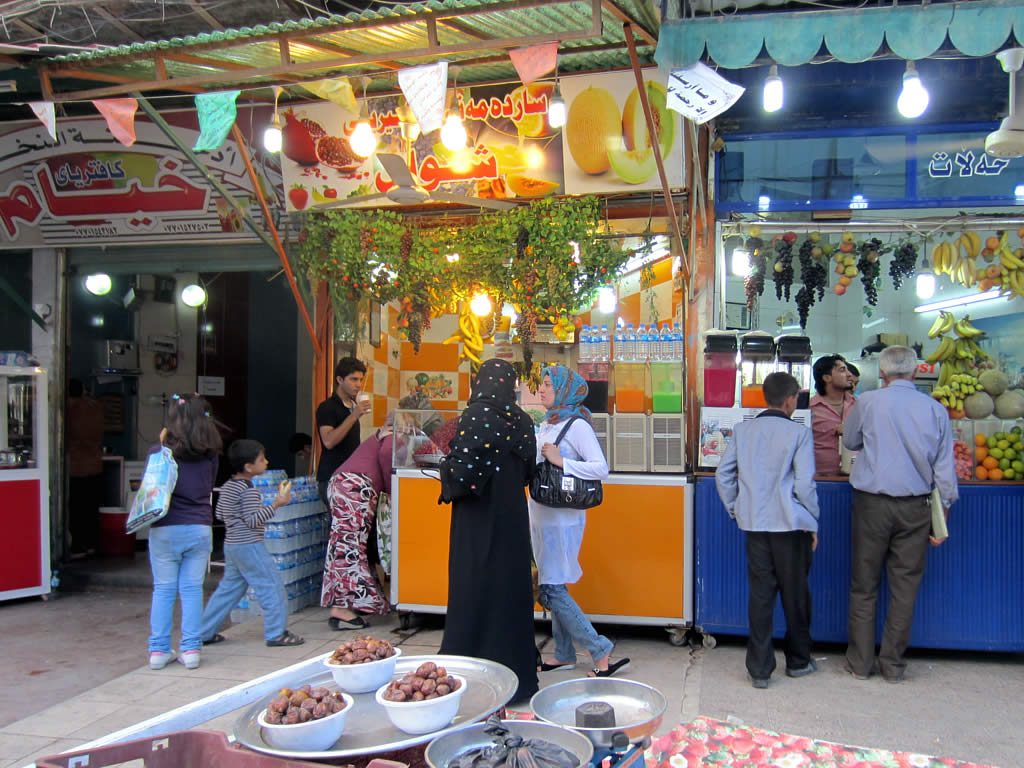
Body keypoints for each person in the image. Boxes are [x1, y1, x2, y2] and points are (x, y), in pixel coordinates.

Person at [842, 345, 956, 683]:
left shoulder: (868, 403)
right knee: (905, 588)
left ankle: (860, 664)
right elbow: (944, 469)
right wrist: (944, 509)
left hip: (871, 505)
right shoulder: (935, 410)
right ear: (916, 371)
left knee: (864, 585)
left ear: (882, 372)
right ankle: (892, 665)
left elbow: (850, 441)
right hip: (916, 507)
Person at [438, 358, 538, 704]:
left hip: (477, 521)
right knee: (509, 592)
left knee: (474, 589)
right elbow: (528, 471)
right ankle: (518, 680)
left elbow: (463, 476)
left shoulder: (476, 415)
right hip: (511, 518)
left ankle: (468, 676)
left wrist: (444, 469)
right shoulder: (523, 420)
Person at [715, 372, 820, 689]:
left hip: (755, 526)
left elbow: (724, 475)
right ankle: (798, 662)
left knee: (761, 596)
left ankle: (759, 670)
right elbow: (804, 485)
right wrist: (812, 521)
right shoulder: (798, 434)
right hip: (790, 526)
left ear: (765, 397)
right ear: (791, 400)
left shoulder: (743, 431)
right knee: (795, 595)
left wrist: (735, 508)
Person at [530, 366, 628, 679]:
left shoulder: (577, 425)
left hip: (563, 521)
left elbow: (601, 469)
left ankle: (600, 650)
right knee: (552, 581)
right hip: (541, 516)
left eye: (548, 384)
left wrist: (563, 461)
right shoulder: (547, 423)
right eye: (541, 384)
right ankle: (563, 654)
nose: (542, 390)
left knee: (551, 588)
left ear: (564, 389)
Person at [198, 439, 304, 648]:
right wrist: (277, 503)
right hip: (250, 545)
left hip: (232, 545)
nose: (266, 462)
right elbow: (254, 519)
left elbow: (220, 513)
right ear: (249, 467)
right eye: (262, 459)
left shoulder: (228, 486)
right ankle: (276, 632)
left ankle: (204, 632)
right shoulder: (248, 490)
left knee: (229, 590)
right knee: (271, 586)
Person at [147, 394, 222, 671]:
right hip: (200, 527)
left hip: (165, 528)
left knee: (163, 590)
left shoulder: (158, 452)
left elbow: (152, 486)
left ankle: (158, 650)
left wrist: (162, 441)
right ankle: (191, 650)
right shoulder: (211, 454)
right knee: (192, 590)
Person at [322, 422, 395, 630]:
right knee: (349, 547)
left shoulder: (383, 433)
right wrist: (393, 491)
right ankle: (341, 609)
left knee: (348, 546)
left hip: (347, 484)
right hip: (354, 486)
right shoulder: (392, 434)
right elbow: (387, 454)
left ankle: (356, 603)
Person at [316, 357, 372, 505]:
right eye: (353, 379)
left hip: (350, 476)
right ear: (340, 380)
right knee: (338, 525)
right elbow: (328, 441)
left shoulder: (353, 405)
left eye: (360, 380)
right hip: (332, 477)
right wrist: (354, 415)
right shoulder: (327, 407)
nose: (358, 385)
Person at [66, 378, 105, 558]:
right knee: (91, 507)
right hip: (95, 465)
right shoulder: (95, 408)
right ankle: (93, 543)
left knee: (76, 508)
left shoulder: (68, 409)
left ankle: (78, 545)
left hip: (75, 467)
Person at [809, 354, 856, 475]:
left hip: (855, 478)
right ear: (827, 377)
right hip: (821, 479)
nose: (849, 375)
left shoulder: (858, 406)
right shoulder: (810, 408)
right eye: (842, 370)